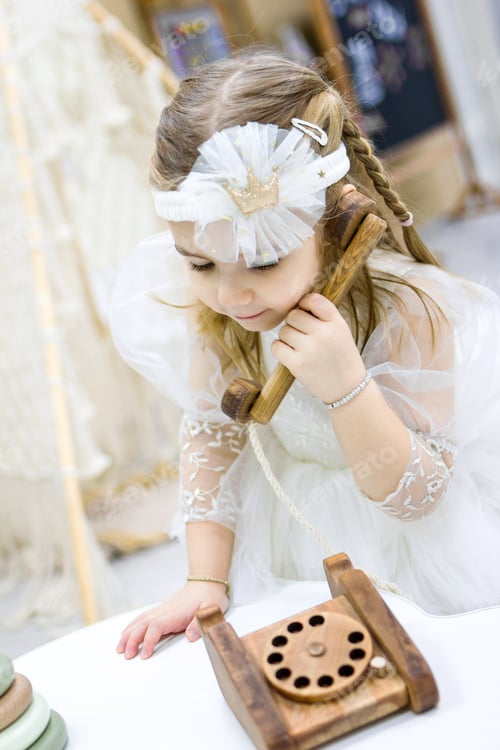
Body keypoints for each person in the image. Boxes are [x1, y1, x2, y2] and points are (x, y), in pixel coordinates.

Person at [110, 50, 500, 660]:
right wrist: (205, 578)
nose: (231, 293)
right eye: (200, 264)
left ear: (332, 220)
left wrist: (348, 388)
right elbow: (213, 433)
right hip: (291, 535)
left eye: (264, 262)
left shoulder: (410, 312)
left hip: (408, 545)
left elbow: (418, 499)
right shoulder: (221, 316)